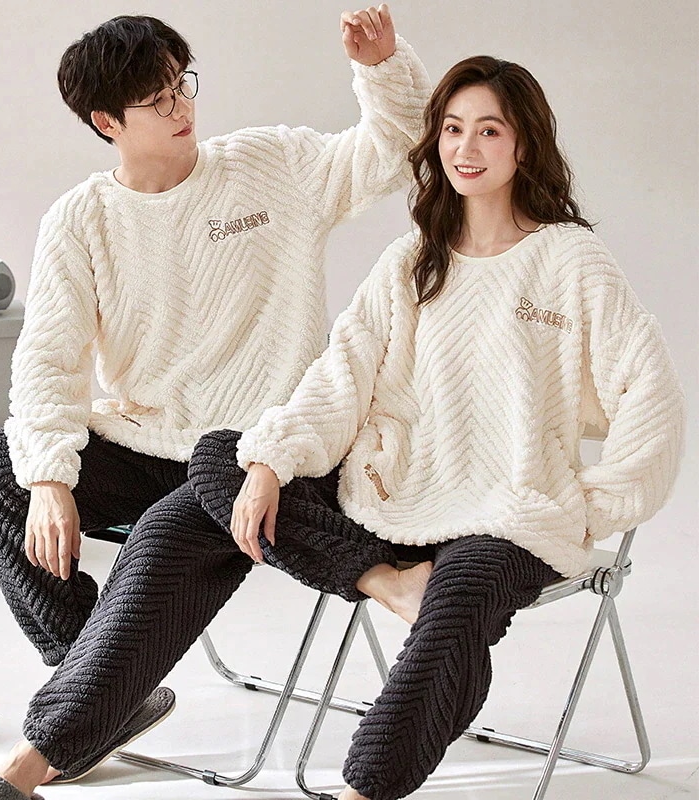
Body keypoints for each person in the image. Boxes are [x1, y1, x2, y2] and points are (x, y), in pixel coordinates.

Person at [0, 7, 432, 800]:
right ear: (107, 122)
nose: (181, 108)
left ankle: (33, 760)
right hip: (150, 438)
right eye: (157, 100)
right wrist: (47, 478)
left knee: (163, 538)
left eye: (183, 85)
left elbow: (396, 148)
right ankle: (105, 688)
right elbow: (48, 359)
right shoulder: (81, 219)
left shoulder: (270, 164)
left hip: (260, 451)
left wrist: (380, 68)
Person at [188, 55, 686, 800]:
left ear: (524, 144)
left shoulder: (570, 258)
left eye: (489, 130)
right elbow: (341, 376)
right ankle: (391, 584)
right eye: (452, 129)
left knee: (458, 603)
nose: (466, 148)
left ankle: (363, 790)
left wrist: (593, 507)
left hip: (510, 515)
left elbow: (650, 388)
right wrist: (270, 464)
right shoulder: (411, 262)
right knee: (223, 457)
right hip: (393, 498)